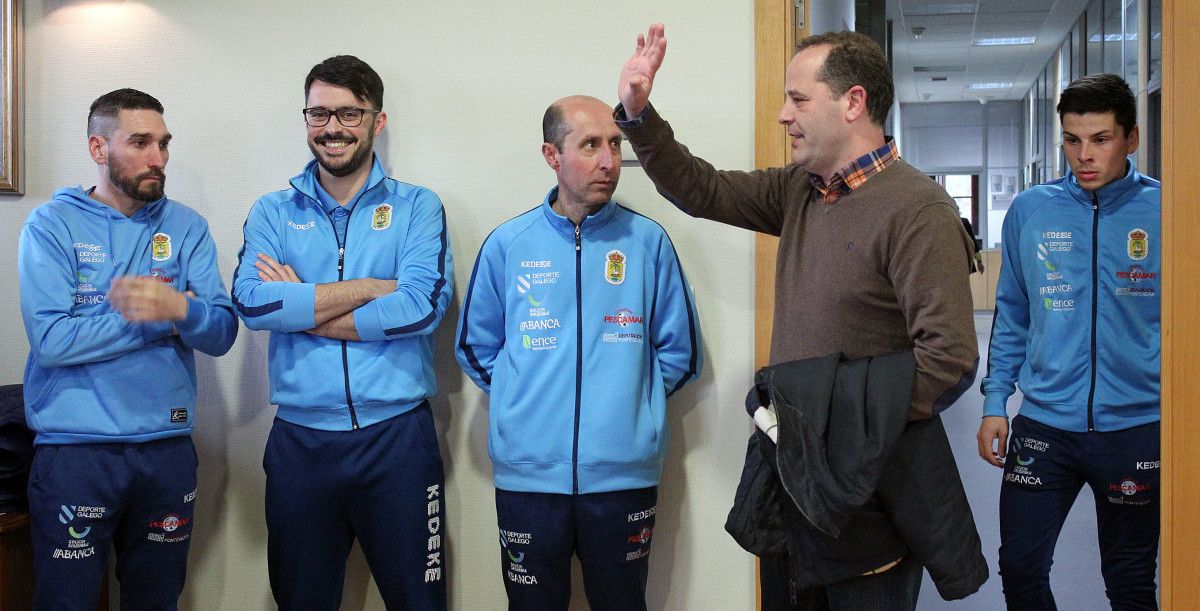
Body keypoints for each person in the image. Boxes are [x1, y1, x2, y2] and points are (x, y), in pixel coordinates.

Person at [616, 25, 979, 609]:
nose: (784, 115)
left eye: (799, 99)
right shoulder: (801, 191)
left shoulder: (919, 210)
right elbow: (701, 188)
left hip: (866, 494)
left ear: (853, 102)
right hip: (790, 484)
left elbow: (950, 359)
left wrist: (841, 425)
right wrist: (639, 114)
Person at [455, 95, 702, 610]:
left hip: (623, 479)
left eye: (615, 144)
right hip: (528, 480)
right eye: (590, 145)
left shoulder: (648, 243)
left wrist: (634, 406)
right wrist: (524, 402)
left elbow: (679, 353)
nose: (609, 161)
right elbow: (476, 348)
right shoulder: (508, 244)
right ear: (552, 155)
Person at [231, 55, 453, 610]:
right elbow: (254, 306)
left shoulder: (418, 207)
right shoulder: (273, 212)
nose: (332, 128)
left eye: (350, 114)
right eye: (319, 113)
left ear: (378, 121)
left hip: (397, 440)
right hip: (300, 445)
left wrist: (302, 306)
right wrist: (373, 286)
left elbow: (421, 308)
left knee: (418, 603)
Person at [18, 88, 237, 609]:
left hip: (166, 451)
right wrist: (164, 318)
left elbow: (222, 332)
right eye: (139, 143)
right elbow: (51, 340)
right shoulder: (51, 225)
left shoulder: (186, 227)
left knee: (156, 600)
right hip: (75, 452)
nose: (157, 158)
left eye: (163, 144)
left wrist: (184, 311)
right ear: (98, 148)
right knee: (65, 602)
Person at [977, 73, 1160, 610]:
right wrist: (995, 404)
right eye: (1072, 139)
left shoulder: (1168, 212)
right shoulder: (1032, 211)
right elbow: (1012, 313)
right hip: (1046, 426)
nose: (1084, 155)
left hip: (1137, 428)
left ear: (1130, 139)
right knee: (1020, 567)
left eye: (1100, 139)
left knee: (1129, 581)